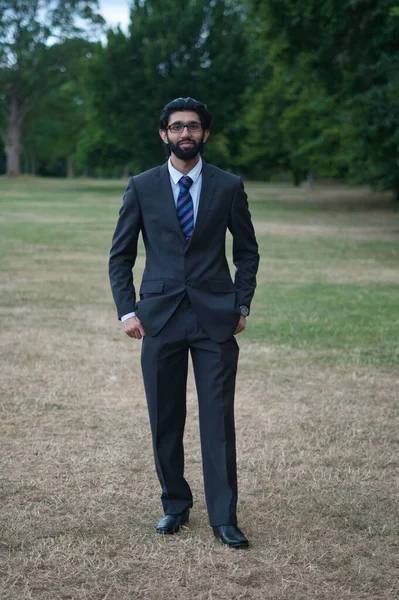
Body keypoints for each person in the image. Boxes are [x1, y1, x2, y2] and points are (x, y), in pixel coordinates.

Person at [109, 97, 259, 549]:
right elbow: (121, 255)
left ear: (205, 133)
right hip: (160, 317)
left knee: (218, 421)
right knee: (165, 418)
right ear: (164, 134)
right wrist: (128, 310)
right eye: (177, 127)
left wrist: (242, 304)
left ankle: (223, 517)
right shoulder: (142, 186)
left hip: (216, 318)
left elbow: (248, 251)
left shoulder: (229, 186)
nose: (185, 134)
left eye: (193, 126)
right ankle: (175, 504)